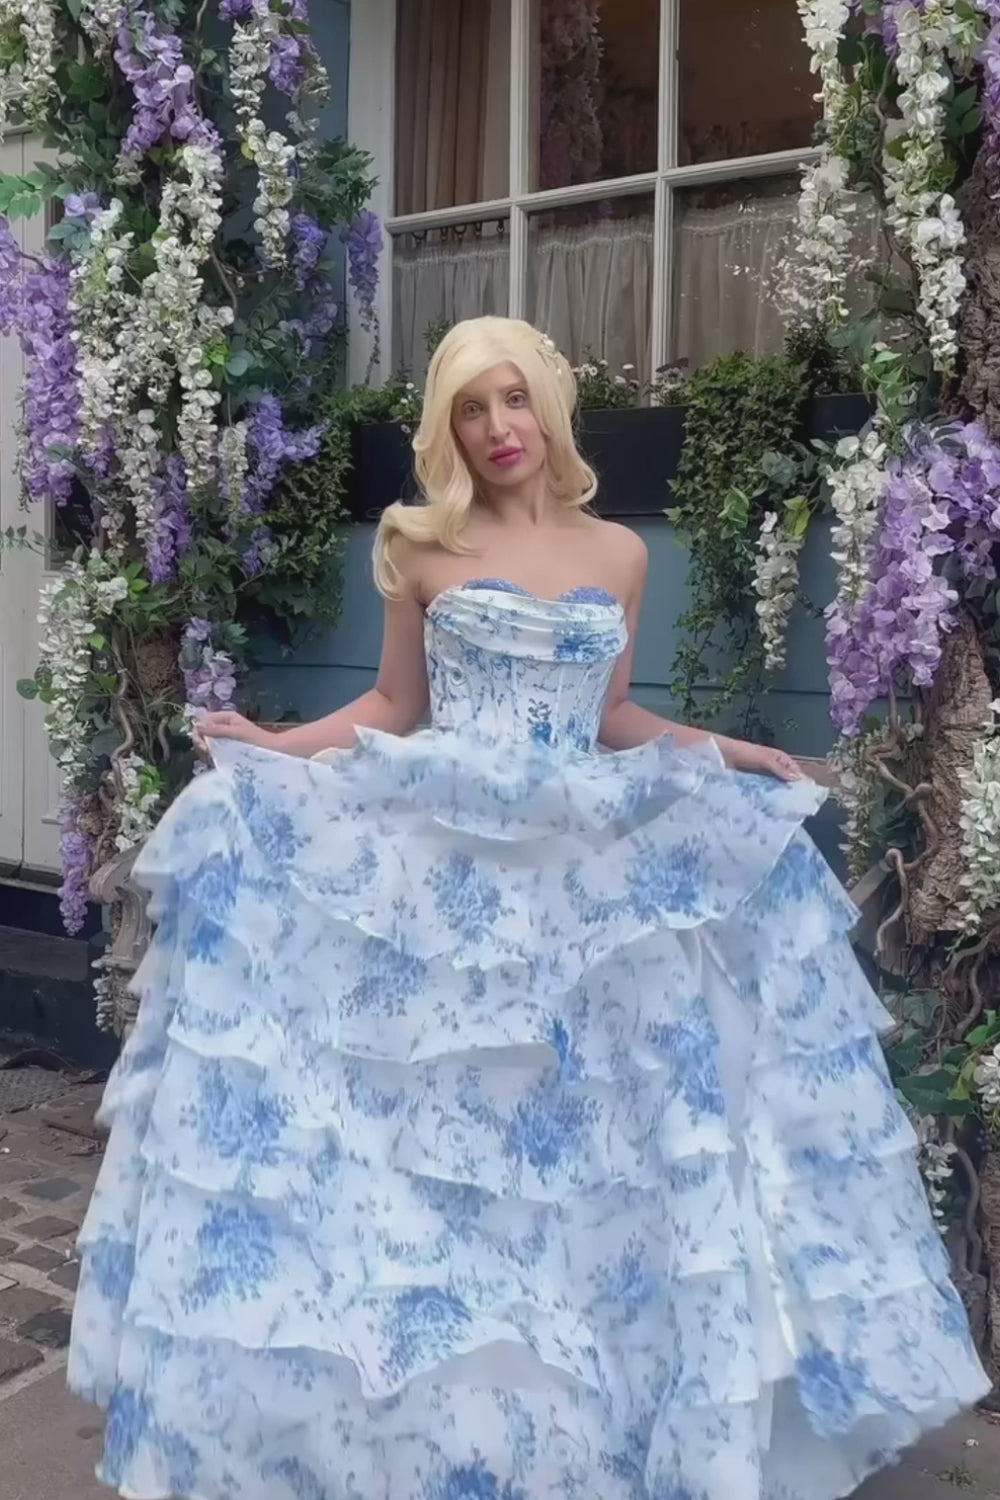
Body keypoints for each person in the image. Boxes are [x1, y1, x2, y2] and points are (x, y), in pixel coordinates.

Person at [68, 316, 988, 1500]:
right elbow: (392, 707)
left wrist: (731, 752)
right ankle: (424, 1426)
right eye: (469, 408)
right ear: (446, 428)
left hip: (576, 867)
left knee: (586, 1142)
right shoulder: (419, 544)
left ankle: (583, 1430)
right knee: (435, 1139)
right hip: (444, 861)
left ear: (547, 409)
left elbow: (612, 718)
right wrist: (271, 745)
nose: (496, 427)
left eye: (513, 400)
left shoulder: (619, 553)